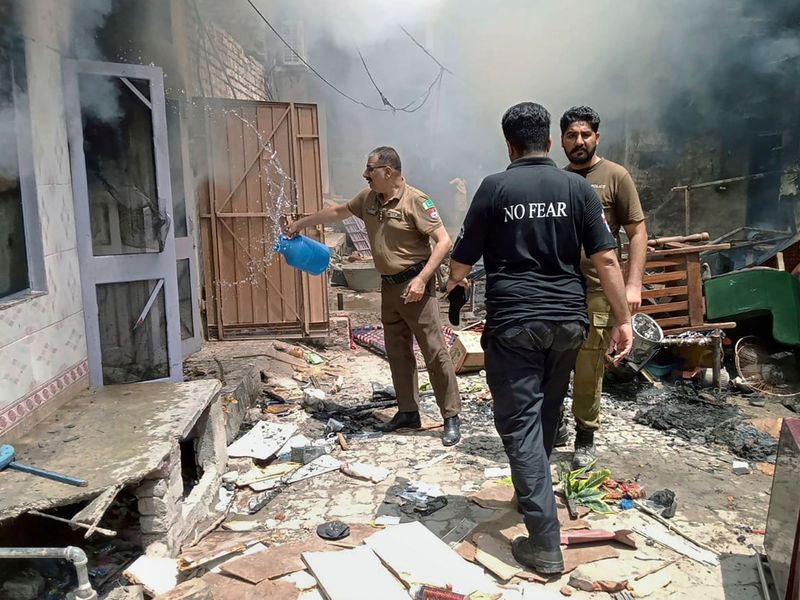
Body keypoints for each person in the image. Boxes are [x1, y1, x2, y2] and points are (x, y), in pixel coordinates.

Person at [447, 102, 632, 574]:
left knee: (520, 424)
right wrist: (623, 319)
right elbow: (608, 260)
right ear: (550, 142)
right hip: (570, 323)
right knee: (547, 411)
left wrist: (456, 287)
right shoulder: (577, 187)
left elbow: (460, 264)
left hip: (515, 325)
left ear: (509, 144)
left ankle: (545, 543)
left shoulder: (495, 187)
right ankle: (530, 489)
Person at [288, 146, 462, 446]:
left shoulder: (417, 201)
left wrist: (422, 280)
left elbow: (444, 241)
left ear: (388, 171)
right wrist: (302, 223)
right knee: (397, 351)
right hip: (389, 287)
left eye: (370, 169)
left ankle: (451, 417)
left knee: (435, 352)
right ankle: (408, 411)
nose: (365, 174)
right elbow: (338, 211)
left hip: (416, 288)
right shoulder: (368, 198)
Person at [559, 106, 648, 469]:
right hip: (560, 287)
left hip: (598, 287)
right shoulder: (557, 179)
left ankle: (585, 433)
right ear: (560, 140)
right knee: (554, 362)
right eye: (571, 135)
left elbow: (637, 231)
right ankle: (553, 425)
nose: (579, 142)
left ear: (597, 136)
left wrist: (633, 283)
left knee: (589, 363)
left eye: (585, 135)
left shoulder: (615, 176)